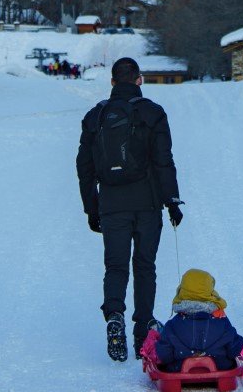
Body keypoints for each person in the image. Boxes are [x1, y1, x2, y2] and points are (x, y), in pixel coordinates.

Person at [77, 55, 182, 361]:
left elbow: (84, 168)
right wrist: (171, 200)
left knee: (116, 265)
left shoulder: (95, 117)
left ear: (112, 82)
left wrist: (91, 208)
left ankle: (114, 316)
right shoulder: (153, 113)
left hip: (111, 204)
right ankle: (143, 332)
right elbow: (164, 160)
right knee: (145, 266)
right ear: (139, 80)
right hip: (147, 204)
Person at [147, 267, 243, 374]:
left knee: (162, 339)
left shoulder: (172, 325)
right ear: (210, 293)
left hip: (178, 368)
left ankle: (157, 330)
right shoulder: (222, 322)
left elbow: (165, 355)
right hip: (220, 366)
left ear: (182, 291)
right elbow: (234, 350)